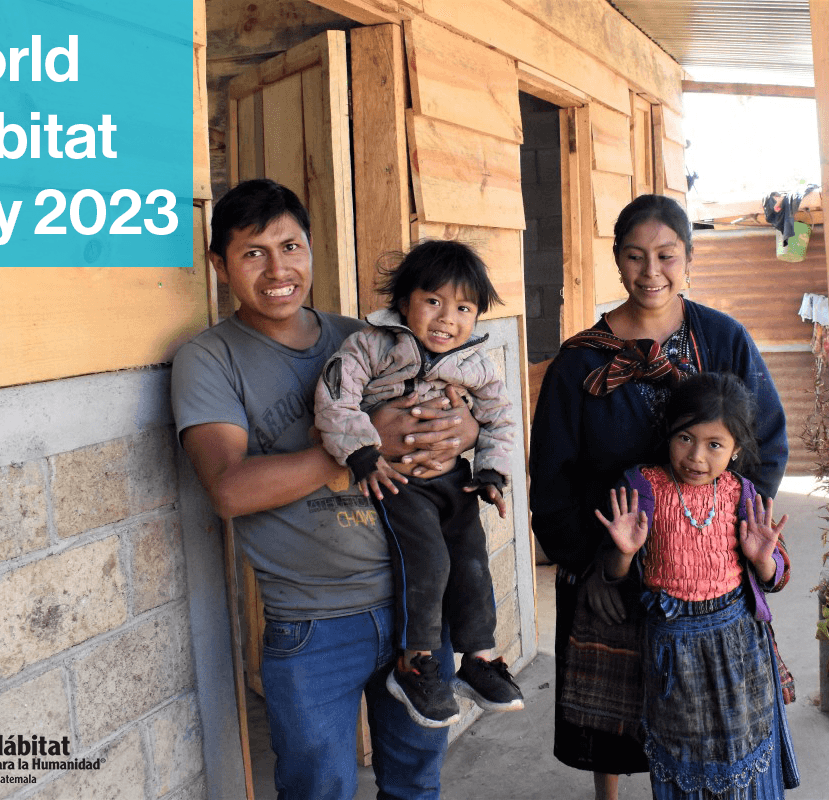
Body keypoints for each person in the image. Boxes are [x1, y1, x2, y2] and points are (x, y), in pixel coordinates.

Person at [171, 178, 480, 800]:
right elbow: (229, 490)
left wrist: (465, 429)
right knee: (320, 790)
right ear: (219, 264)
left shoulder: (367, 339)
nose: (278, 269)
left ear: (311, 249)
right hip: (312, 623)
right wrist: (358, 451)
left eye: (291, 246)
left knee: (418, 781)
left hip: (415, 603)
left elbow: (452, 408)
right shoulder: (209, 359)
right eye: (253, 252)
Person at [528, 194, 788, 799]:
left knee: (708, 716)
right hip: (609, 560)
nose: (652, 272)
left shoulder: (723, 339)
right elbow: (553, 472)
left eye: (667, 255)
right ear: (617, 262)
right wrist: (591, 568)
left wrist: (733, 533)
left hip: (706, 571)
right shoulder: (579, 363)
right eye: (635, 256)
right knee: (612, 710)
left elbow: (765, 442)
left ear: (689, 258)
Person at [314, 239, 524, 729]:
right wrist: (362, 452)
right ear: (404, 300)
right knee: (428, 558)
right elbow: (334, 398)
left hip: (452, 478)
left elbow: (501, 418)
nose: (447, 319)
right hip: (395, 479)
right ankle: (415, 663)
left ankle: (479, 658)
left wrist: (492, 470)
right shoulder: (370, 345)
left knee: (472, 559)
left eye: (464, 308)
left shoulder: (475, 364)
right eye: (433, 301)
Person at [594, 372, 800, 799]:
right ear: (668, 431)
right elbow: (614, 573)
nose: (696, 457)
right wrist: (624, 553)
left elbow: (777, 576)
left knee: (742, 747)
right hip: (673, 651)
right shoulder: (642, 487)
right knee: (684, 752)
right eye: (685, 438)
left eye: (715, 445)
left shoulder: (742, 494)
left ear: (736, 450)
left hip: (739, 645)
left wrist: (763, 560)